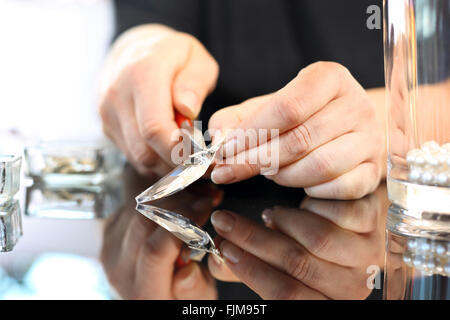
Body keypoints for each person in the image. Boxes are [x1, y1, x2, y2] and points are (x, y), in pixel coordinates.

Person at [99, 0, 387, 201]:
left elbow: (433, 69)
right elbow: (142, 28)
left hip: (381, 223)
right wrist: (137, 53)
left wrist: (390, 124)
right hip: (205, 208)